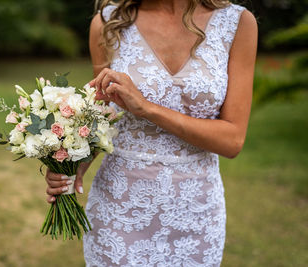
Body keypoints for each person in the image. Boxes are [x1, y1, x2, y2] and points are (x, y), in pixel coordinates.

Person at [45, 0, 257, 265]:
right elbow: (101, 117)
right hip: (119, 212)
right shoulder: (108, 22)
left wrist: (147, 108)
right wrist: (70, 164)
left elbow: (232, 140)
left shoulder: (237, 23)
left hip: (196, 214)